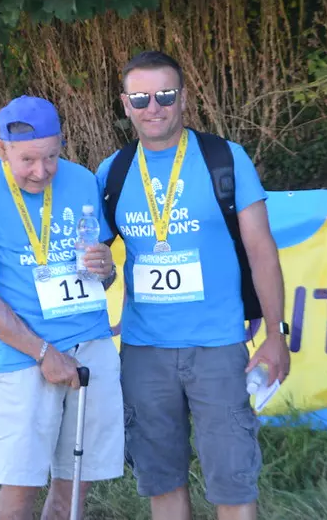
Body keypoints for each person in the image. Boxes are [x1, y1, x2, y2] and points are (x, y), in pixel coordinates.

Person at [96, 51, 291, 520]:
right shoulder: (113, 172)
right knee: (162, 482)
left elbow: (262, 249)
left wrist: (275, 336)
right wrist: (102, 273)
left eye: (165, 94)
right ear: (125, 104)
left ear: (183, 97)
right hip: (144, 352)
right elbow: (97, 267)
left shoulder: (225, 158)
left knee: (233, 484)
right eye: (140, 97)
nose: (153, 107)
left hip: (218, 347)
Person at [0, 95, 123, 520]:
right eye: (27, 160)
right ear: (1, 148)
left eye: (51, 157)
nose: (41, 171)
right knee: (21, 484)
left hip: (91, 345)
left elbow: (103, 273)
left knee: (76, 481)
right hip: (26, 355)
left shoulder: (82, 180)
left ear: (63, 144)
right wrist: (44, 354)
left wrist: (107, 267)